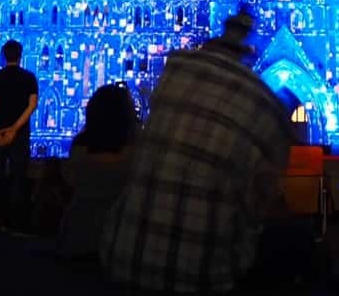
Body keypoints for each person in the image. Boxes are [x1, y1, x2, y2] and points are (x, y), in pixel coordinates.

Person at [99, 15, 292, 293]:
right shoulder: (257, 98)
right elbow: (263, 203)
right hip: (201, 275)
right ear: (247, 57)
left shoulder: (174, 72)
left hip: (125, 257)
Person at [57, 83, 140, 260]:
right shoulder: (135, 157)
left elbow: (69, 182)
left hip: (76, 239)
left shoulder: (80, 149)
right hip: (117, 245)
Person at [0, 39, 38, 234]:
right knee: (19, 177)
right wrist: (15, 128)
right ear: (20, 56)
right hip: (19, 135)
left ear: (3, 56)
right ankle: (18, 223)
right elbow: (32, 105)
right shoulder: (29, 78)